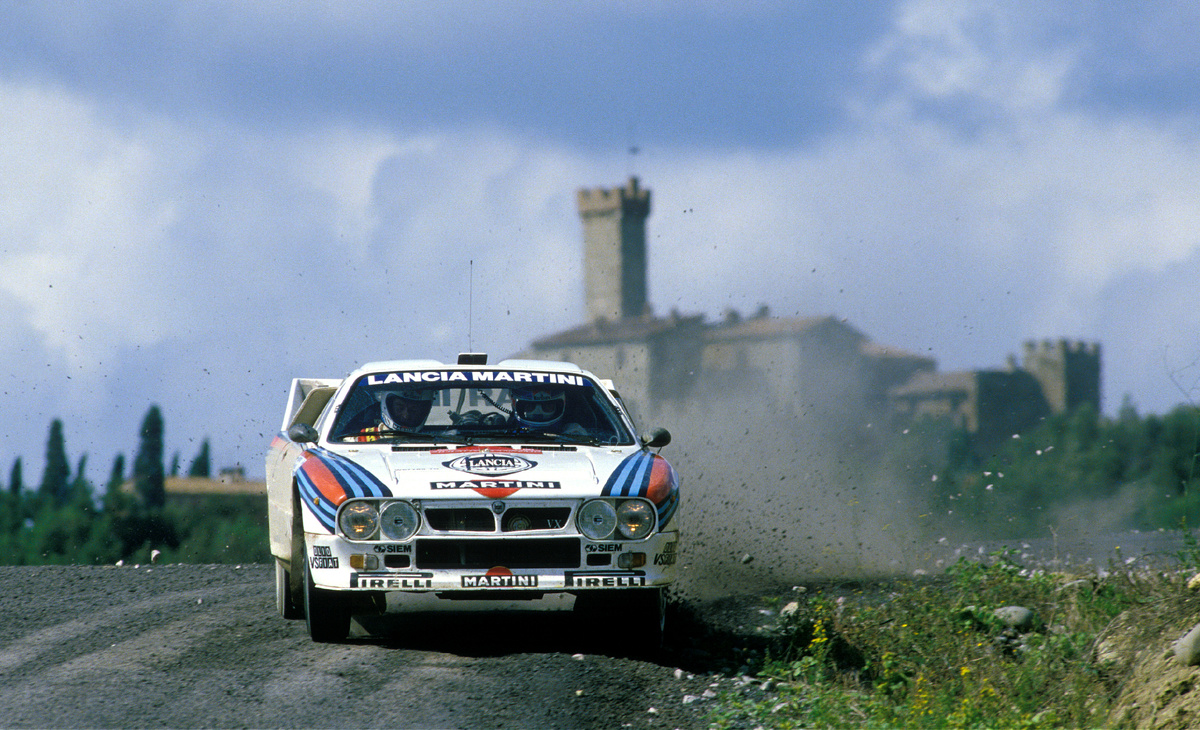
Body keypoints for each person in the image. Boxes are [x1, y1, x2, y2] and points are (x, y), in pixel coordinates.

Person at [353, 388, 435, 441]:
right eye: (400, 408)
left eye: (413, 410)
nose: (405, 415)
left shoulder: (436, 442)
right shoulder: (362, 440)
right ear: (387, 405)